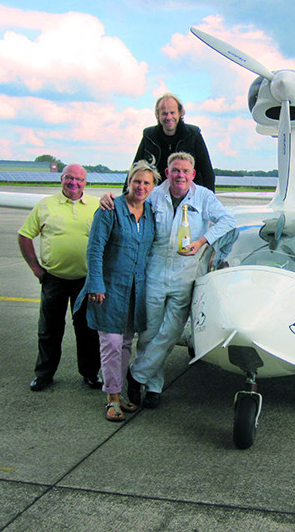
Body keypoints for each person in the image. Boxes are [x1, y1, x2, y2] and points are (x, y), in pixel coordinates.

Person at [101, 152, 235, 408]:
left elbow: (228, 221)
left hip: (185, 275)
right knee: (150, 332)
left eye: (185, 171)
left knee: (171, 332)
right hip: (154, 272)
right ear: (168, 171)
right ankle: (153, 387)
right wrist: (108, 198)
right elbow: (130, 201)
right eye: (175, 170)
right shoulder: (154, 194)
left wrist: (202, 241)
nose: (180, 175)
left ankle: (136, 374)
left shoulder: (203, 197)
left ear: (193, 174)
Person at [74, 161, 159, 422]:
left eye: (147, 183)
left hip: (134, 290)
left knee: (124, 345)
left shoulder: (150, 214)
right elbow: (95, 248)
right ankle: (111, 398)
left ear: (153, 187)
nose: (141, 186)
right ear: (129, 182)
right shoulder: (110, 208)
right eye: (137, 181)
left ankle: (119, 392)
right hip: (109, 288)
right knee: (110, 343)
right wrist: (96, 283)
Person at [17, 164, 101, 391]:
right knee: (49, 329)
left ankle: (90, 373)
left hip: (86, 280)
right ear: (61, 179)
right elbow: (25, 235)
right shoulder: (45, 205)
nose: (74, 183)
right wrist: (35, 267)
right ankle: (44, 374)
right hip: (54, 278)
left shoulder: (96, 205)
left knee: (87, 329)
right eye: (69, 178)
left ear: (86, 182)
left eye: (79, 179)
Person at [130, 93, 215, 192]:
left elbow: (207, 172)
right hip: (157, 195)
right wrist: (124, 200)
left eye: (172, 112)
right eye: (164, 113)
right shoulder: (149, 136)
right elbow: (135, 169)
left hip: (188, 195)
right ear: (158, 115)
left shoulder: (193, 135)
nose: (169, 117)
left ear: (180, 113)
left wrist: (209, 200)